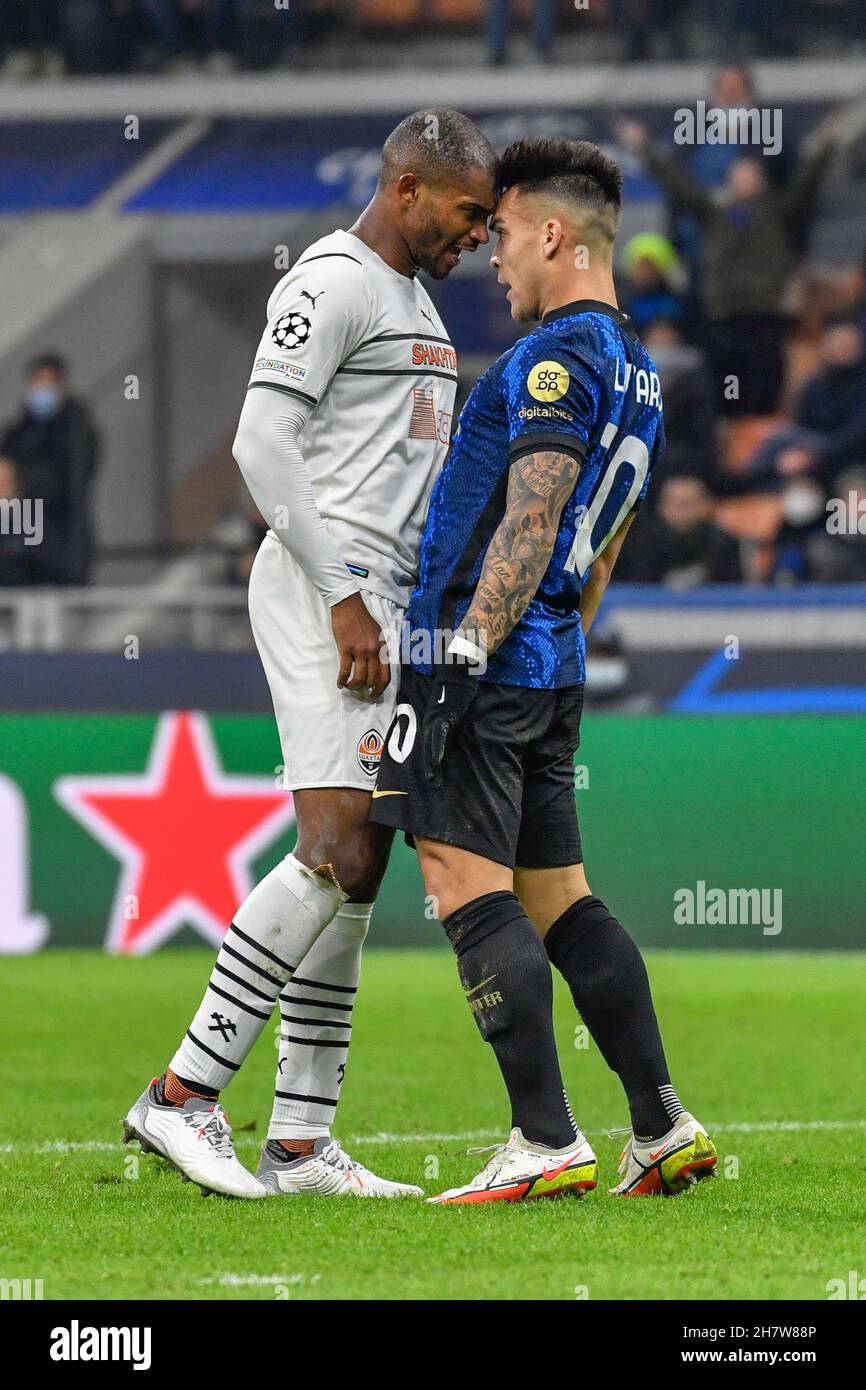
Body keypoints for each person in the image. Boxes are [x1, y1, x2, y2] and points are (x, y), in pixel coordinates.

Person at [124, 110, 497, 1200]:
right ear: (407, 188)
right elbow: (258, 440)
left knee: (360, 861)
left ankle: (298, 1142)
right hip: (322, 590)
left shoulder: (417, 304)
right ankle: (184, 1095)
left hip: (381, 601)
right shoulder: (330, 282)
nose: (476, 234)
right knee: (336, 843)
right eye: (465, 212)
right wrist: (341, 594)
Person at [370, 138, 717, 1203]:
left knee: (455, 879)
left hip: (483, 652)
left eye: (508, 234)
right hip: (552, 655)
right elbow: (598, 543)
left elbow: (534, 505)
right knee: (558, 894)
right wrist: (555, 639)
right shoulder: (642, 371)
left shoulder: (550, 360)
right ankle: (657, 1122)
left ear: (555, 235)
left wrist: (466, 649)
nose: (495, 255)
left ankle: (542, 1135)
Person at [614, 114, 841, 417]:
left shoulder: (779, 213)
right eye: (739, 174)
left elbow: (807, 184)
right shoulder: (715, 214)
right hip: (723, 317)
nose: (744, 179)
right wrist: (643, 147)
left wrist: (826, 143)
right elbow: (679, 186)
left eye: (751, 174)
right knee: (724, 393)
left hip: (765, 315)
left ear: (761, 180)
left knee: (765, 390)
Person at [0, 354, 100, 584]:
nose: (42, 390)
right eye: (37, 382)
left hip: (58, 542)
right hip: (16, 547)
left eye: (49, 383)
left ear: (63, 387)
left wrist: (17, 481)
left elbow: (67, 483)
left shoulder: (77, 433)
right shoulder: (17, 433)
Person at [616, 474, 742, 586]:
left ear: (706, 506)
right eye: (677, 504)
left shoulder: (724, 547)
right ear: (662, 508)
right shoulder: (638, 548)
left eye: (690, 504)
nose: (683, 513)